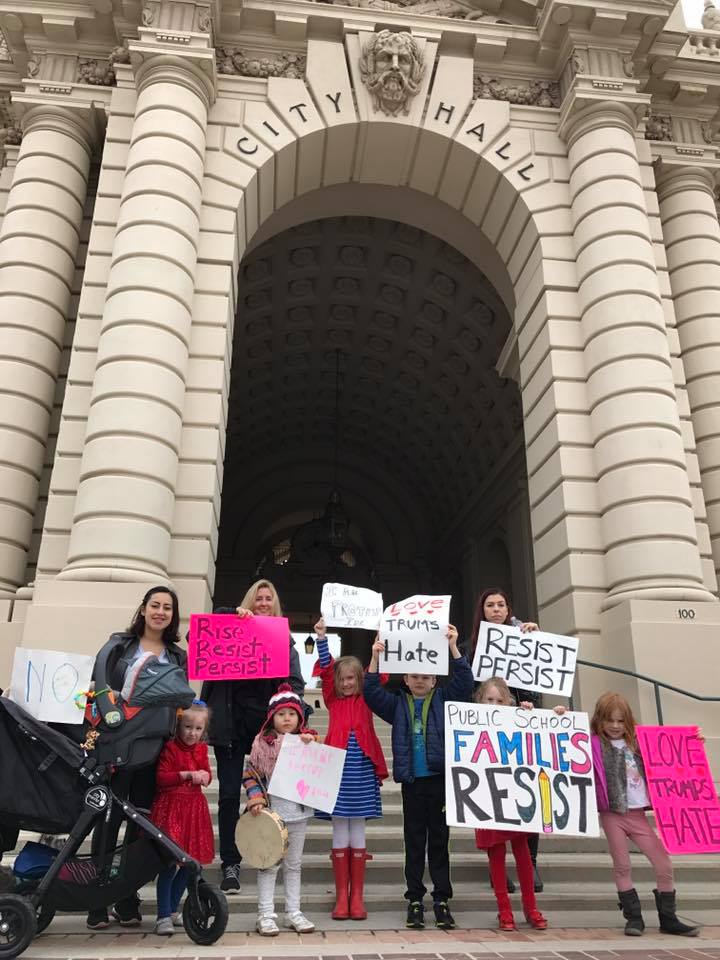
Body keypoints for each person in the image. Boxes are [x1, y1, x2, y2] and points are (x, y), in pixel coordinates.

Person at [87, 585, 187, 930]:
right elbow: (97, 687)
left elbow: (180, 699)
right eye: (155, 605)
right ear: (143, 609)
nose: (160, 612)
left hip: (155, 749)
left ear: (173, 616)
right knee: (107, 819)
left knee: (140, 823)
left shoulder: (177, 656)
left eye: (167, 608)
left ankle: (126, 896)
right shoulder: (119, 645)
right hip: (117, 744)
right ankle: (97, 898)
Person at [364, 625, 473, 930]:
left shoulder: (444, 699)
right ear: (406, 679)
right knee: (413, 843)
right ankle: (414, 899)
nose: (420, 680)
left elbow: (465, 681)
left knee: (439, 842)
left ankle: (441, 900)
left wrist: (453, 647)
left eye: (426, 676)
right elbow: (371, 692)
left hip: (439, 782)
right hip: (412, 784)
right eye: (414, 676)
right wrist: (375, 658)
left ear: (435, 679)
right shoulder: (398, 703)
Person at [200, 579, 306, 894]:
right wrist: (231, 614)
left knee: (273, 797)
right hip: (230, 725)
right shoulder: (229, 625)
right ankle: (230, 863)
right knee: (231, 795)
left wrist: (288, 705)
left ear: (275, 605)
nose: (262, 602)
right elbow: (198, 636)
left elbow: (297, 686)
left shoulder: (284, 641)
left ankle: (270, 855)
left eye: (267, 598)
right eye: (257, 598)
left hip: (267, 732)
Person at [589, 692, 699, 938]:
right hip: (612, 813)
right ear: (600, 720)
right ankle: (634, 918)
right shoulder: (593, 743)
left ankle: (668, 918)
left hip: (638, 814)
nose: (615, 726)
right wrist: (561, 714)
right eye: (609, 720)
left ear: (628, 720)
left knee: (663, 863)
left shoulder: (640, 742)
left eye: (620, 721)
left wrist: (692, 743)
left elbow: (671, 752)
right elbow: (566, 741)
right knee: (622, 865)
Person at [314, 616, 388, 921]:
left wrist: (376, 652)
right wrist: (321, 639)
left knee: (357, 829)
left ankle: (357, 898)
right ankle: (341, 898)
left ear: (359, 680)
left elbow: (377, 678)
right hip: (337, 769)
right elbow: (328, 675)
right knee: (339, 830)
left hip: (362, 768)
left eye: (352, 679)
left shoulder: (367, 698)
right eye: (343, 678)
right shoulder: (332, 699)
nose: (346, 683)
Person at [470, 587, 543, 892]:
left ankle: (532, 865)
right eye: (490, 605)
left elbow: (537, 683)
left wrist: (534, 640)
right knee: (494, 801)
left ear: (508, 609)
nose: (496, 609)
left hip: (520, 730)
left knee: (530, 798)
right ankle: (496, 866)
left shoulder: (525, 638)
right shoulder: (470, 647)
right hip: (487, 735)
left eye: (501, 604)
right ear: (482, 611)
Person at [473, 677, 548, 931]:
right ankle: (504, 910)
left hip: (515, 796)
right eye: (489, 699)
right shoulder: (470, 724)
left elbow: (543, 735)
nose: (494, 704)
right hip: (489, 797)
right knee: (496, 854)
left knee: (523, 854)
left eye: (499, 700)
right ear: (479, 701)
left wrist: (534, 716)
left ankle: (531, 907)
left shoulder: (519, 721)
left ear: (508, 703)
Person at [242, 684, 318, 936]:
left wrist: (310, 741)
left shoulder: (307, 740)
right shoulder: (263, 743)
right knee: (269, 864)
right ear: (271, 717)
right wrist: (255, 798)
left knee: (294, 865)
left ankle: (293, 912)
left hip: (299, 814)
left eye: (292, 713)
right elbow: (251, 773)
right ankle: (265, 914)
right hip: (272, 815)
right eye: (281, 713)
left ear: (300, 718)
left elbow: (318, 766)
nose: (287, 718)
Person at [150, 700, 214, 935]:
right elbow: (161, 778)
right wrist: (185, 774)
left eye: (198, 729)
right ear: (178, 726)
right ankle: (163, 915)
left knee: (190, 864)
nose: (192, 733)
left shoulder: (202, 749)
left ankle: (174, 909)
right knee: (169, 864)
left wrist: (204, 777)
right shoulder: (170, 748)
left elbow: (208, 774)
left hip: (193, 810)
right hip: (172, 810)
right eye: (188, 727)